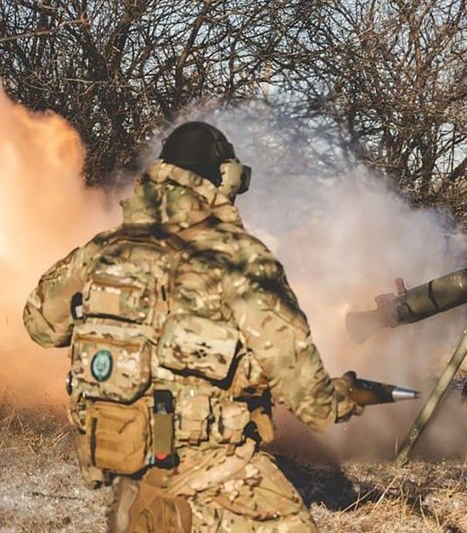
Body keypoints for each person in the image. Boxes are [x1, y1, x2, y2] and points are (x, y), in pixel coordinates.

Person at [23, 121, 361, 532]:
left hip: (129, 470)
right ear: (224, 180)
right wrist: (344, 396)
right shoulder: (240, 260)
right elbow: (312, 400)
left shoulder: (103, 250)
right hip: (213, 475)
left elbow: (40, 326)